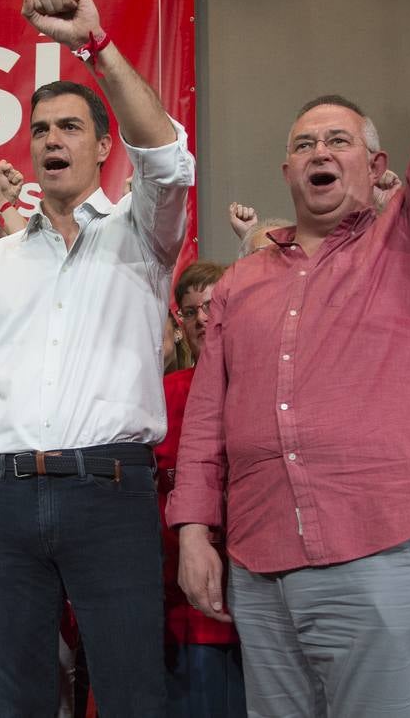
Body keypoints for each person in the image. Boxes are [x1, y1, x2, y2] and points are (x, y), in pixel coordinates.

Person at [169, 0, 410, 718]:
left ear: (377, 166)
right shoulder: (243, 282)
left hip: (385, 550)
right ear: (286, 171)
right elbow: (207, 417)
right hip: (262, 564)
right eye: (304, 141)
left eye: (340, 140)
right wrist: (194, 532)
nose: (320, 148)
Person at [0, 0, 194, 718]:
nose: (51, 141)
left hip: (108, 494)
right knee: (17, 700)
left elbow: (168, 160)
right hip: (3, 498)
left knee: (133, 694)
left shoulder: (143, 233)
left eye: (70, 127)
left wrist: (96, 48)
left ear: (105, 147)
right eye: (41, 129)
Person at [155, 260, 245, 718]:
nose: (203, 319)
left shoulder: (261, 388)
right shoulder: (163, 396)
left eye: (213, 306)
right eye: (191, 312)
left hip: (258, 602)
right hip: (183, 611)